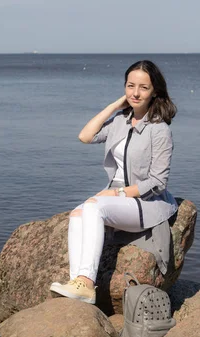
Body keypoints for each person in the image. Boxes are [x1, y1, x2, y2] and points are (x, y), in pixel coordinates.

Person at [49, 60, 178, 304]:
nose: (136, 93)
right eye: (130, 86)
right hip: (118, 197)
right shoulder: (120, 121)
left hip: (146, 201)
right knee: (77, 215)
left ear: (155, 92)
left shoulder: (159, 129)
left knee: (92, 207)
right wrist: (113, 106)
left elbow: (158, 182)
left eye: (143, 87)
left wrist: (118, 195)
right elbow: (85, 136)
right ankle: (80, 284)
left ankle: (86, 282)